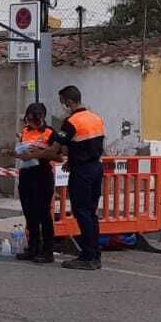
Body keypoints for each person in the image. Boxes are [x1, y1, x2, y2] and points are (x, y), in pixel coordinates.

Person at [39, 85, 106, 270]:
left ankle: (87, 256)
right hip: (96, 167)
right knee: (91, 213)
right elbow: (86, 144)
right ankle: (95, 254)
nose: (63, 106)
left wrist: (34, 153)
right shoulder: (96, 118)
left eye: (62, 102)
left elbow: (56, 147)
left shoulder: (71, 122)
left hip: (82, 172)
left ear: (69, 102)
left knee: (82, 212)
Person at [13, 102, 57, 263]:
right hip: (26, 174)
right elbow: (22, 153)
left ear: (42, 118)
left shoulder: (50, 133)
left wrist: (39, 153)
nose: (31, 123)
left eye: (34, 120)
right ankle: (32, 247)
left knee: (44, 214)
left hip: (43, 175)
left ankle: (47, 250)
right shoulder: (24, 131)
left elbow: (58, 156)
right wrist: (15, 153)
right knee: (29, 213)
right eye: (28, 119)